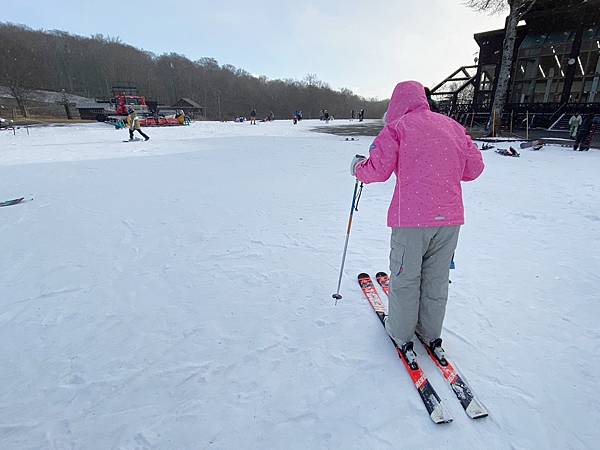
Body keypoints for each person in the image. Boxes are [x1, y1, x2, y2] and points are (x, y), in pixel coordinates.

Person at [350, 81, 484, 367]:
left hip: (411, 221)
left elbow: (377, 170)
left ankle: (400, 332)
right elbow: (474, 168)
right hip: (449, 221)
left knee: (406, 277)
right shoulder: (452, 127)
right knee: (436, 280)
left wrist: (357, 168)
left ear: (396, 103)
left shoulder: (398, 128)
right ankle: (430, 331)